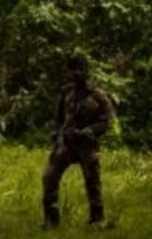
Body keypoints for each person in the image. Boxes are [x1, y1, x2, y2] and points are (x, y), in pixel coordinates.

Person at [43, 54, 116, 228]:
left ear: (86, 71)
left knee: (92, 181)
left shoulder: (98, 95)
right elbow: (58, 117)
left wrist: (90, 131)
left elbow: (107, 121)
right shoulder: (66, 92)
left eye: (80, 70)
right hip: (66, 142)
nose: (77, 74)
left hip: (86, 144)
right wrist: (57, 133)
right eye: (73, 70)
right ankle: (51, 219)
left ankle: (97, 218)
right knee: (49, 177)